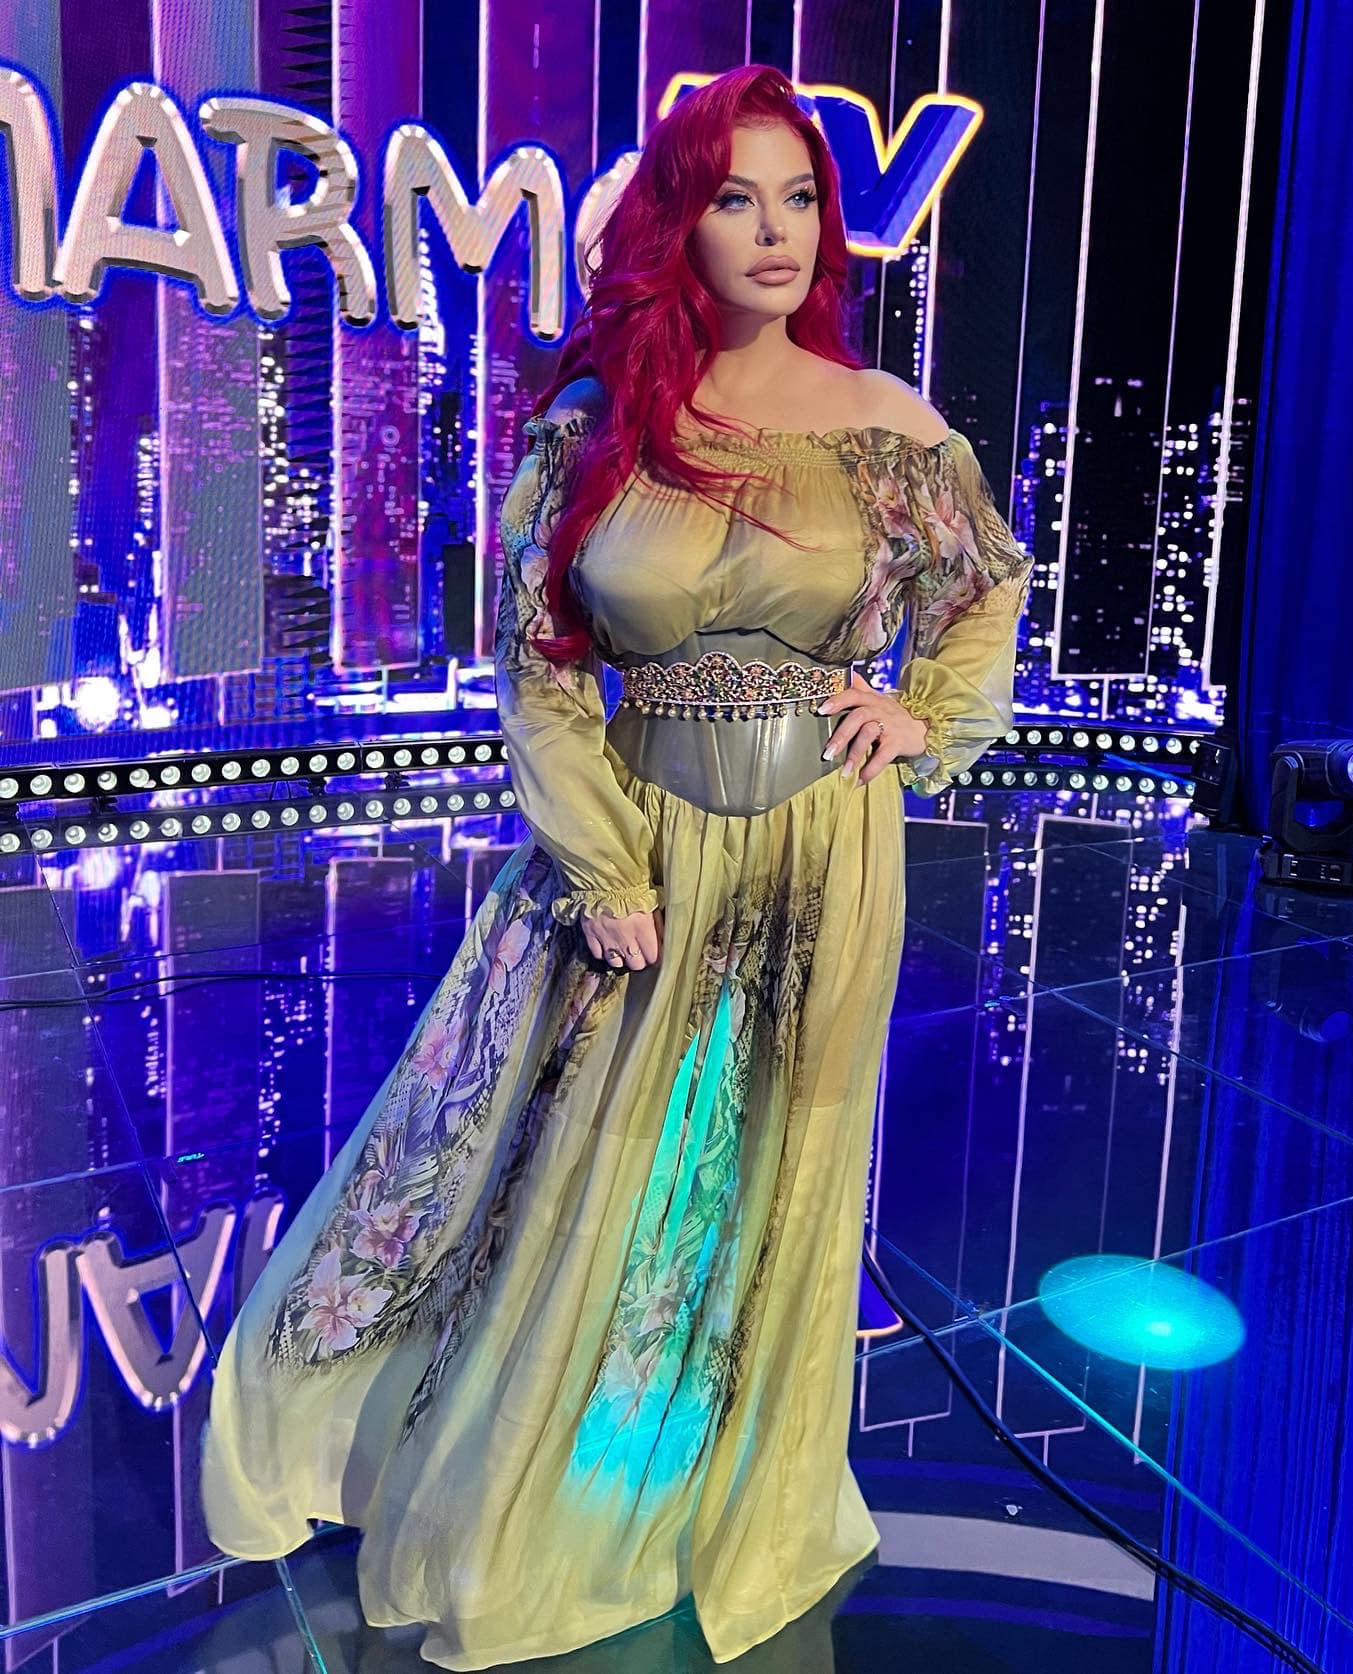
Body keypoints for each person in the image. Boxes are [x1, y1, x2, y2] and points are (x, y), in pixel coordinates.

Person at [200, 62, 1033, 1671]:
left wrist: (920, 711)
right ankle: (531, 1479)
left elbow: (985, 586)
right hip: (632, 849)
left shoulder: (887, 426)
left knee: (761, 1175)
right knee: (565, 1169)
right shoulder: (598, 421)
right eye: (736, 197)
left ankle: (710, 1487)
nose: (777, 229)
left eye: (801, 197)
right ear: (680, 224)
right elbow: (538, 662)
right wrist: (600, 865)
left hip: (819, 861)